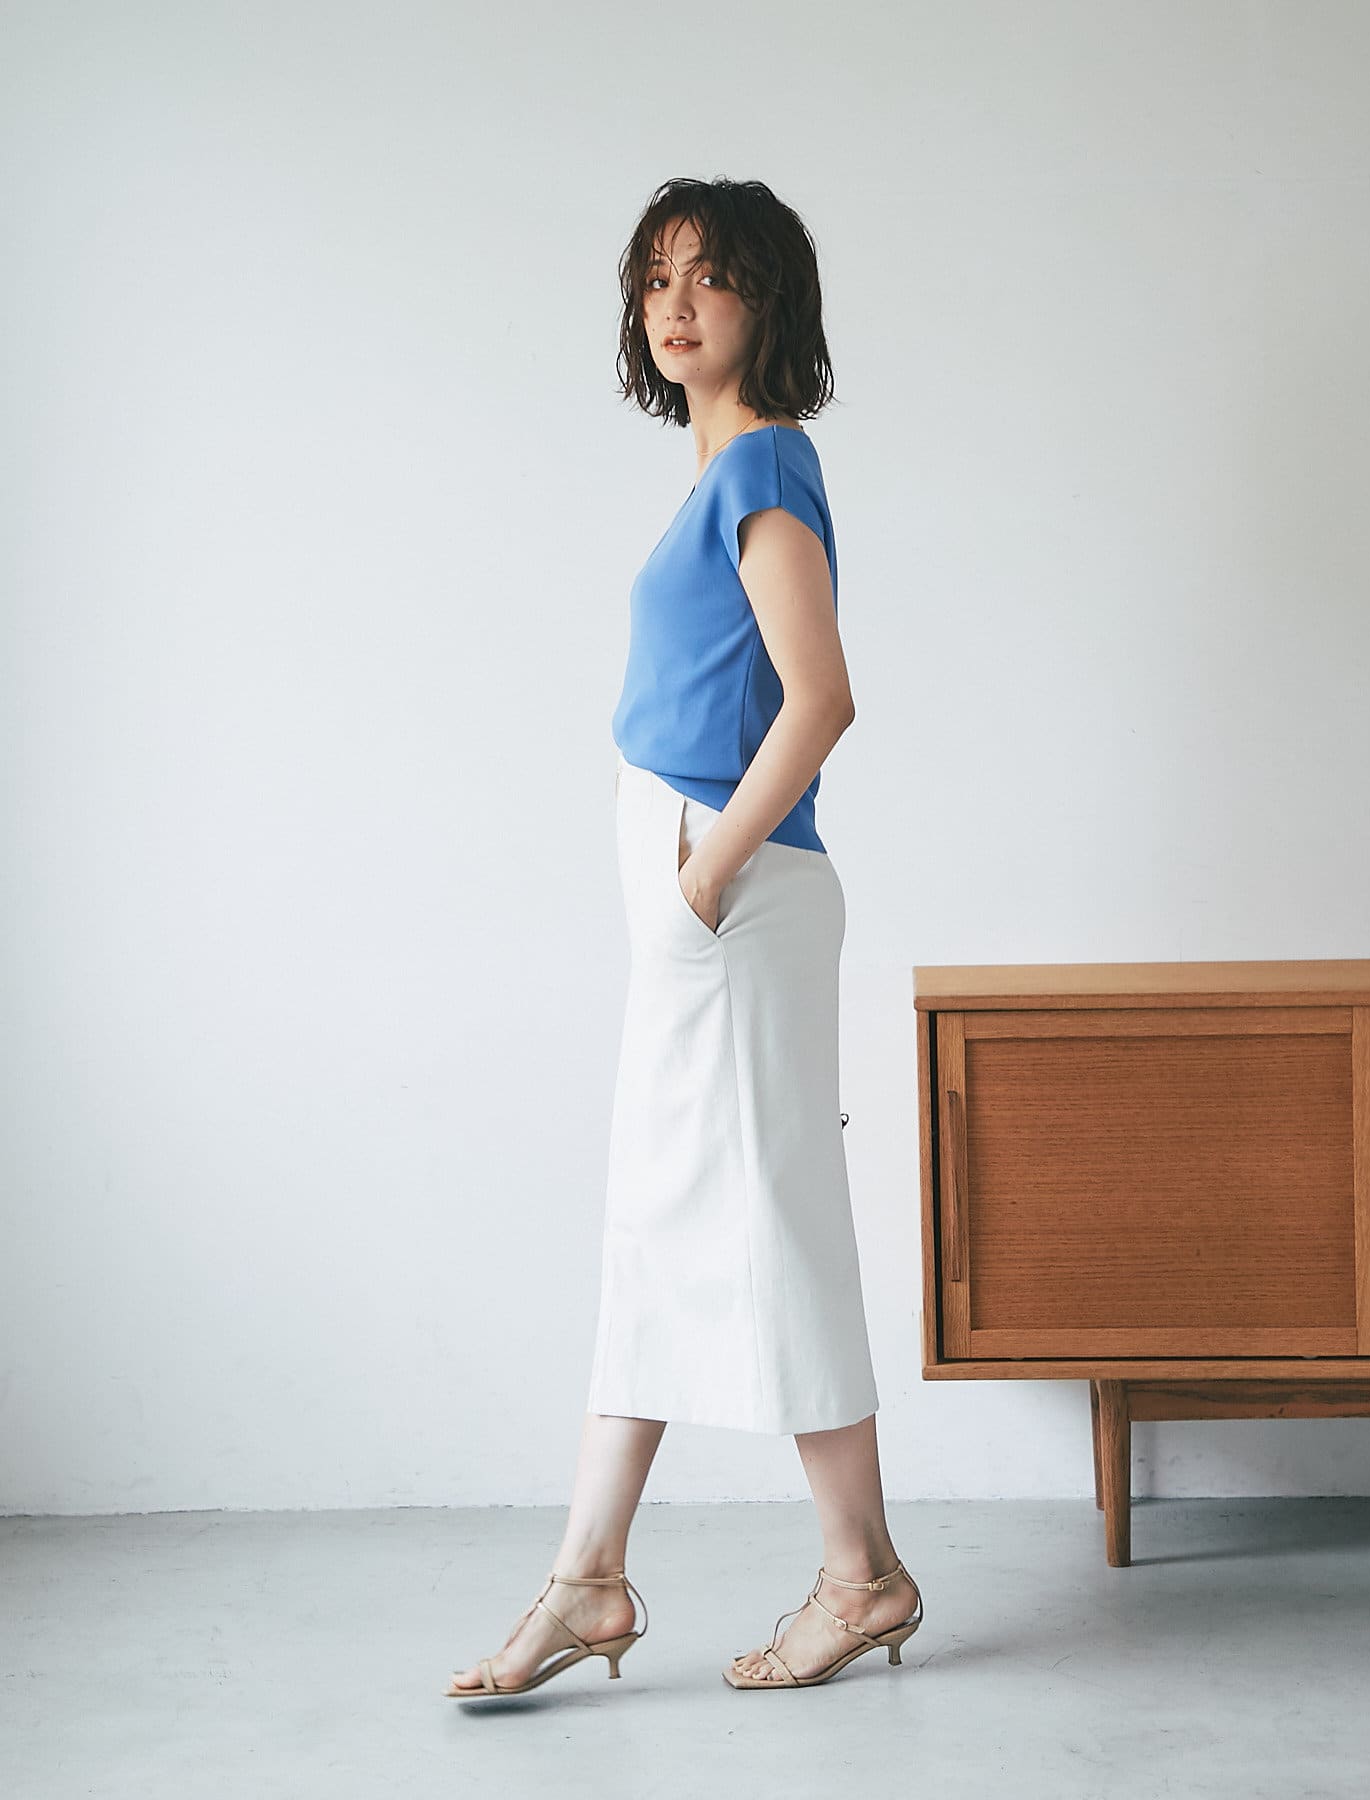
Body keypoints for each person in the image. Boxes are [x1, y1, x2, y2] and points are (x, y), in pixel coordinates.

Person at [446, 178, 922, 1699]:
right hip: (710, 899)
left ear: (766, 301)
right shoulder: (721, 469)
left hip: (734, 896)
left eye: (710, 276)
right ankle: (594, 1576)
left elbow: (820, 697)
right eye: (656, 277)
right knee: (666, 1224)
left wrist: (707, 870)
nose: (676, 302)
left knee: (766, 1222)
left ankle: (852, 1574)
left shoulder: (764, 463)